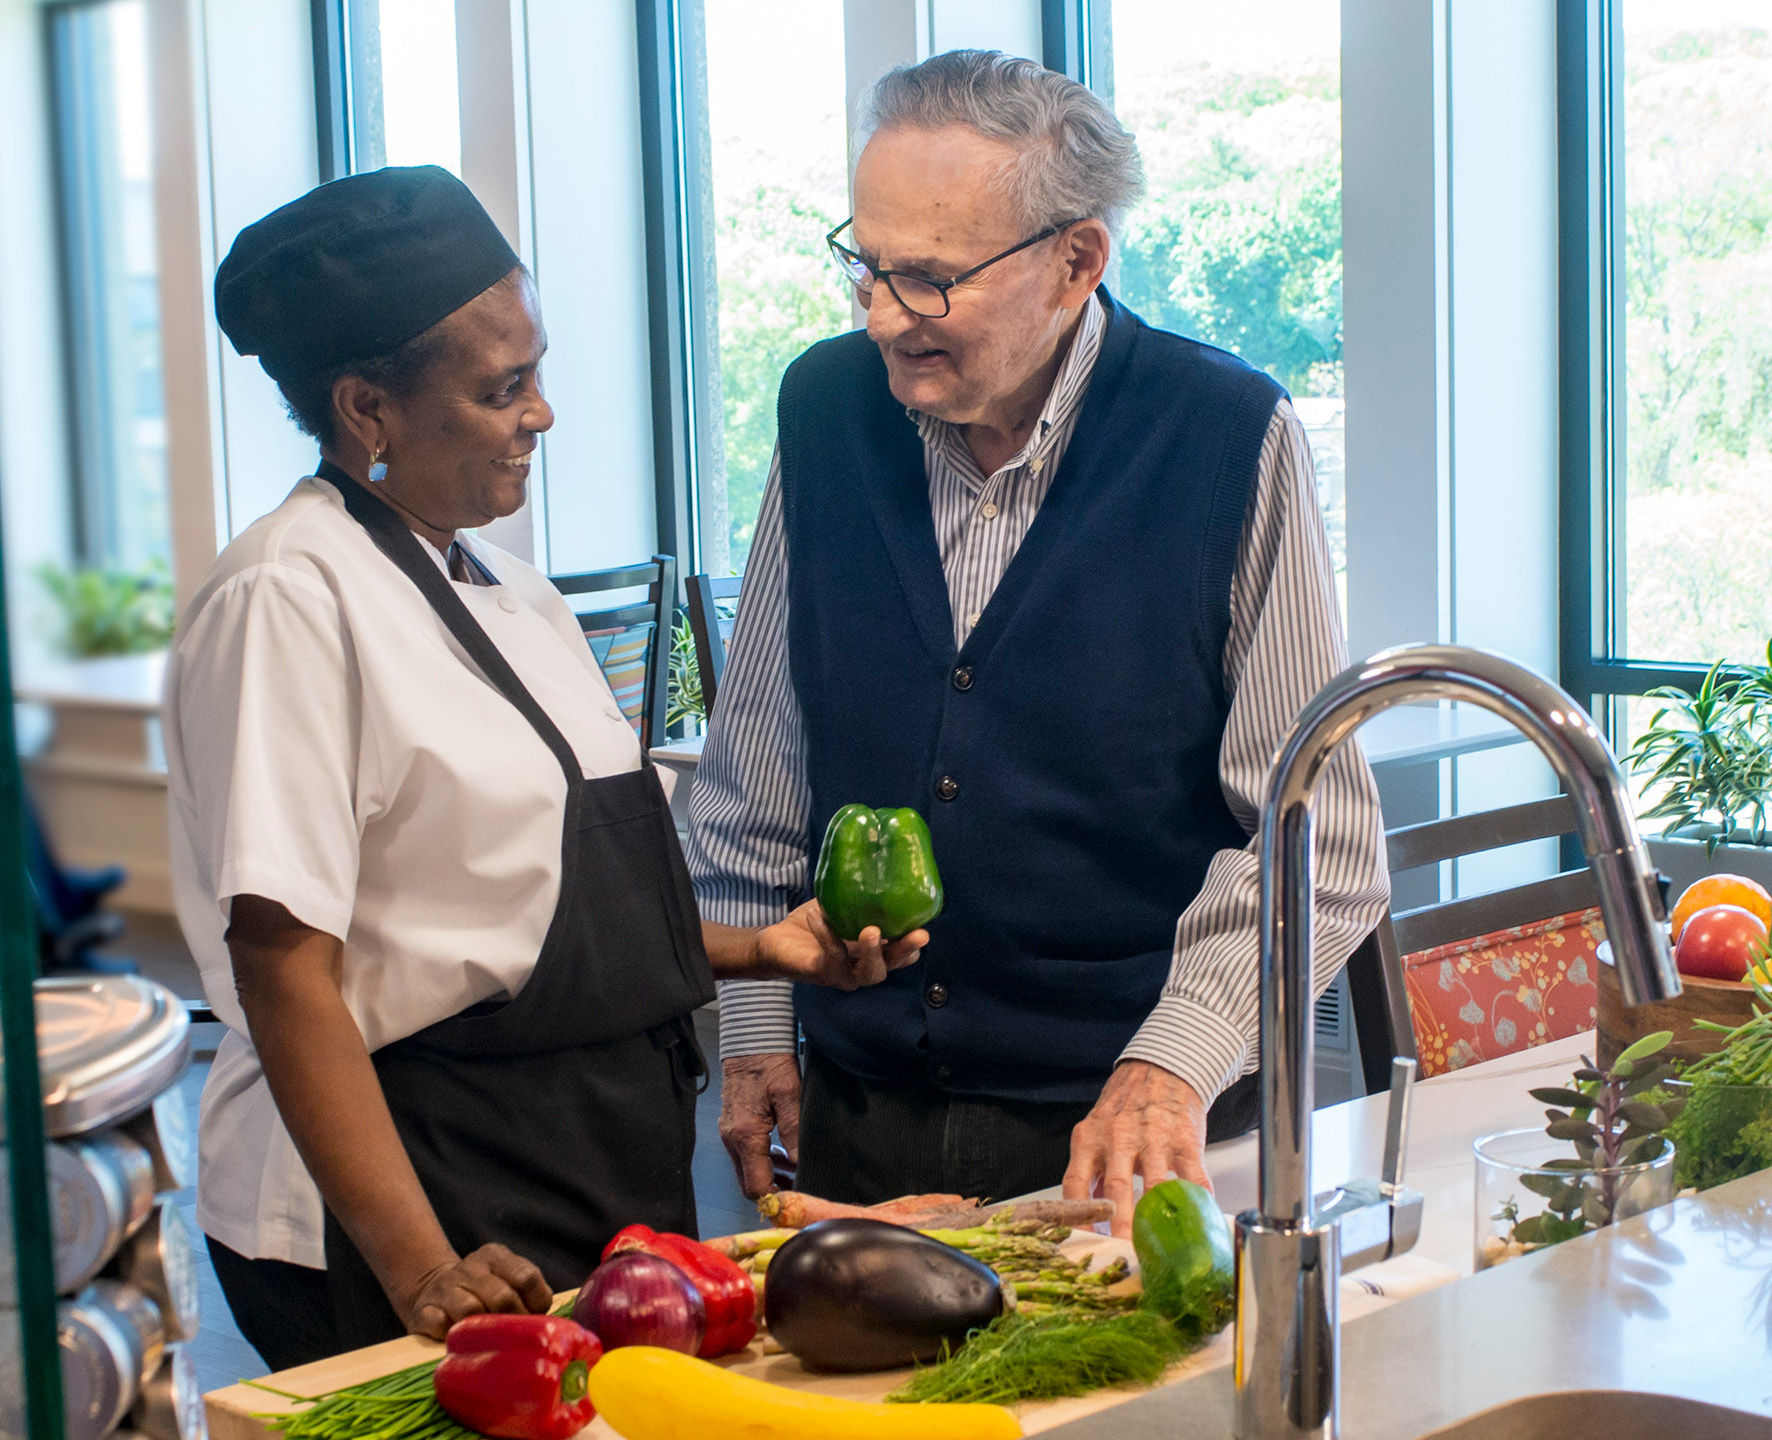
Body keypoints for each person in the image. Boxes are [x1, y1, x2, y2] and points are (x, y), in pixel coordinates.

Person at [166, 166, 926, 1371]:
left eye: (536, 370)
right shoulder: (287, 597)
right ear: (368, 409)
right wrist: (422, 1269)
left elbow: (533, 912)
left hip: (582, 1165)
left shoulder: (515, 592)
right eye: (501, 387)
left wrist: (760, 950)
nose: (542, 414)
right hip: (421, 1194)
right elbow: (280, 969)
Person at [691, 51, 1388, 1217]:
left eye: (928, 279)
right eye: (865, 268)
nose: (882, 318)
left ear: (1076, 261)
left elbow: (1318, 839)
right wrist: (759, 1032)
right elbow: (760, 761)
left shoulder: (1225, 437)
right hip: (861, 1119)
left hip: (1126, 1140)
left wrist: (1172, 1060)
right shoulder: (825, 413)